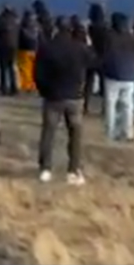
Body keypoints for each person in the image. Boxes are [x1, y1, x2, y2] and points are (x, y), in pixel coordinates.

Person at [34, 18, 93, 185]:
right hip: (75, 96)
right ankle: (73, 170)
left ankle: (45, 169)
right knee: (75, 134)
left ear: (55, 29)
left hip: (53, 96)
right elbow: (95, 62)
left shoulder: (47, 48)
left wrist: (44, 91)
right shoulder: (79, 48)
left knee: (48, 132)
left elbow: (37, 74)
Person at [101, 12, 134, 141]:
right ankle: (128, 133)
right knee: (128, 106)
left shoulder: (109, 36)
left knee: (111, 105)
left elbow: (104, 54)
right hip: (130, 74)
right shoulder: (132, 37)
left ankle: (111, 132)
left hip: (113, 74)